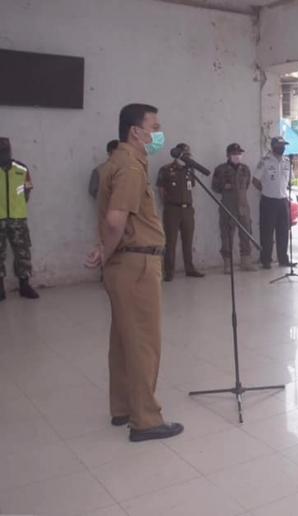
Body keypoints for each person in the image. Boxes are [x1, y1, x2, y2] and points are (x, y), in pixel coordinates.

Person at [84, 103, 183, 441]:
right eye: (154, 126)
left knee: (124, 339)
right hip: (136, 263)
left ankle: (123, 407)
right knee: (143, 342)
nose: (158, 133)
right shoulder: (131, 166)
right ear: (136, 132)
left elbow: (114, 220)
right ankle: (145, 420)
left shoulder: (118, 162)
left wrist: (104, 250)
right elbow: (116, 220)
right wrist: (105, 252)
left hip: (126, 262)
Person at [156, 143, 204, 281]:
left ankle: (189, 268)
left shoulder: (190, 170)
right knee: (170, 241)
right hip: (172, 209)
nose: (187, 157)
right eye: (185, 155)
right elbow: (161, 189)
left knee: (188, 240)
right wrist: (167, 203)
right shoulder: (166, 169)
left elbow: (191, 187)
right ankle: (169, 271)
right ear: (177, 154)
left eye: (188, 155)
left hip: (188, 209)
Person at [0, 137, 39, 301]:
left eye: (5, 151)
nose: (3, 154)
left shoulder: (21, 168)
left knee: (22, 251)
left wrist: (18, 205)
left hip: (18, 217)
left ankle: (24, 285)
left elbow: (27, 190)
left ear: (10, 150)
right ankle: (0, 288)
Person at [212, 143, 255, 273]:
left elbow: (246, 186)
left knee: (246, 233)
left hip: (243, 206)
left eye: (239, 154)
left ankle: (246, 262)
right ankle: (227, 263)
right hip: (228, 206)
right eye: (234, 154)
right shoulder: (220, 169)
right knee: (227, 235)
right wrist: (226, 188)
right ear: (228, 155)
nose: (237, 156)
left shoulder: (245, 169)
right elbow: (215, 187)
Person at [253, 136, 291, 268]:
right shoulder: (265, 161)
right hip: (268, 200)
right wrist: (265, 190)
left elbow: (286, 181)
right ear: (273, 146)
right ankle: (266, 260)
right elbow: (255, 181)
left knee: (283, 231)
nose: (283, 148)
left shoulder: (287, 161)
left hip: (283, 201)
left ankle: (283, 259)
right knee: (267, 232)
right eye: (280, 146)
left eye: (284, 146)